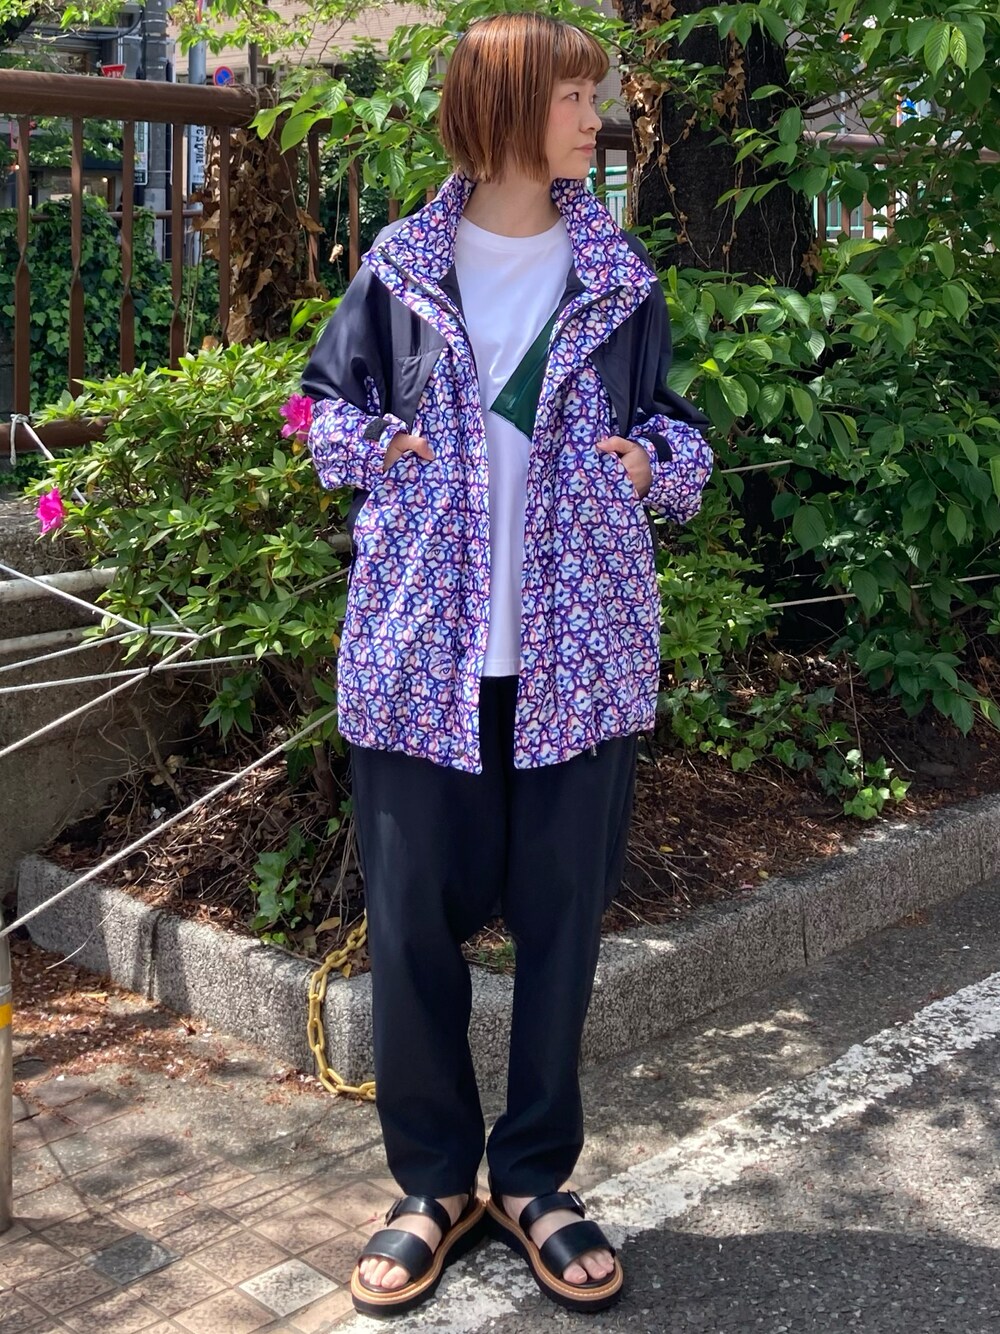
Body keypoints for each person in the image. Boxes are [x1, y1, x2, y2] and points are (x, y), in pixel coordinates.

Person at [301, 11, 712, 1317]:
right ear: (507, 105)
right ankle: (433, 1186)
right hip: (421, 655)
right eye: (575, 97)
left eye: (596, 97)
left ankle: (534, 1179)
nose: (598, 119)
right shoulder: (400, 268)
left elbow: (681, 432)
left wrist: (652, 464)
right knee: (411, 933)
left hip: (578, 660)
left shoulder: (619, 276)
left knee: (561, 931)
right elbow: (318, 408)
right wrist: (374, 447)